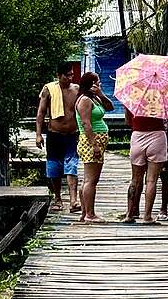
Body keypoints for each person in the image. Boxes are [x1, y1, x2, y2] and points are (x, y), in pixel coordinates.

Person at [35, 62, 80, 213]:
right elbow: (41, 112)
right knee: (54, 168)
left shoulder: (76, 90)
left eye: (71, 75)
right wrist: (38, 134)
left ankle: (73, 200)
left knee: (72, 166)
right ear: (58, 76)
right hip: (54, 134)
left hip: (72, 134)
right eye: (67, 75)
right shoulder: (49, 89)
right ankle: (58, 198)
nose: (70, 78)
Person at [75, 71, 113, 223]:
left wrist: (101, 94)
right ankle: (90, 214)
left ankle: (85, 213)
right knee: (91, 180)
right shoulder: (84, 100)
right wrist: (95, 145)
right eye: (97, 81)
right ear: (90, 84)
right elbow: (86, 124)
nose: (100, 83)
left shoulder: (95, 98)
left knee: (88, 179)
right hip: (91, 140)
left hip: (98, 138)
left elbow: (110, 107)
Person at [123, 107, 168, 224]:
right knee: (151, 180)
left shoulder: (133, 95)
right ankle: (147, 216)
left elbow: (128, 121)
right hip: (157, 135)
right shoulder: (161, 95)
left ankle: (129, 214)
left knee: (135, 179)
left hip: (138, 135)